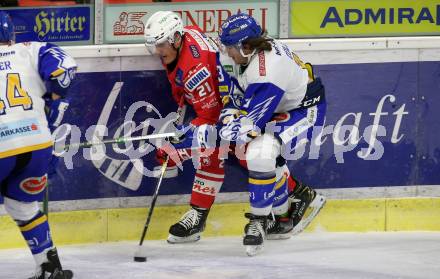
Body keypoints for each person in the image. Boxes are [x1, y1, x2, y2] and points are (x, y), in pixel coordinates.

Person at [217, 13, 327, 256]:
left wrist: (196, 136)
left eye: (229, 48)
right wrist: (226, 117)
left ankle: (259, 221)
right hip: (283, 105)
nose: (227, 53)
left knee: (260, 151)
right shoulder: (250, 55)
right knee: (264, 154)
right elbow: (236, 101)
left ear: (245, 46)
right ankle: (297, 197)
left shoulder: (266, 72)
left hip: (305, 110)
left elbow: (247, 129)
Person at [0, 11, 75, 278]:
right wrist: (54, 96)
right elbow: (64, 68)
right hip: (37, 145)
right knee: (23, 206)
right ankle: (49, 265)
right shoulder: (31, 49)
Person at [144, 11, 226, 244]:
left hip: (237, 111)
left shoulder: (195, 71)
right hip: (220, 106)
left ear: (176, 39)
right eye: (154, 45)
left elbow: (211, 118)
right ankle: (198, 216)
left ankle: (295, 196)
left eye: (161, 45)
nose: (158, 51)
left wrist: (179, 146)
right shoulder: (186, 36)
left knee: (219, 151)